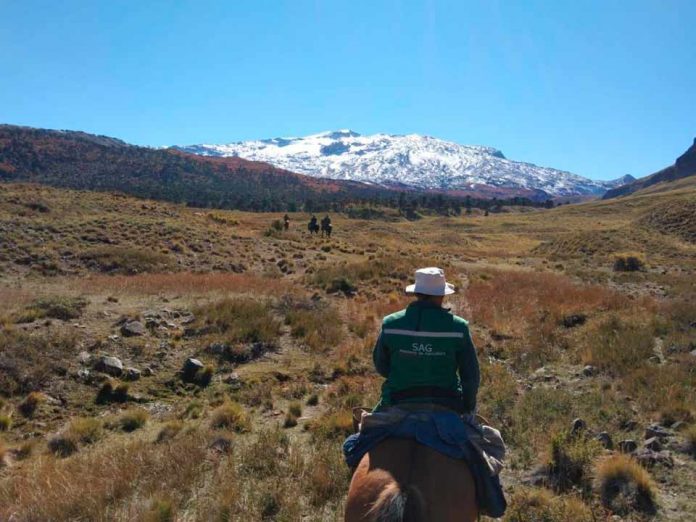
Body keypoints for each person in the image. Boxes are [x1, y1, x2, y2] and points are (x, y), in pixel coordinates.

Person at [372, 266, 480, 414]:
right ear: (441, 295)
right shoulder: (458, 328)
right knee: (492, 437)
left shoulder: (390, 324)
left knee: (360, 434)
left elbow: (382, 366)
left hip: (396, 400)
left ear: (416, 293)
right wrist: (468, 406)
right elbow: (470, 377)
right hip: (448, 403)